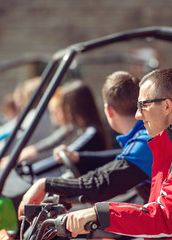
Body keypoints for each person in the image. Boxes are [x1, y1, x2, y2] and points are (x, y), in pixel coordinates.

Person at [65, 68, 172, 240]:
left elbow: (165, 219)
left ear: (167, 106)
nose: (138, 115)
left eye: (143, 105)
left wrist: (99, 214)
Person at [18, 71, 154, 218]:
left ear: (108, 110)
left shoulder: (146, 140)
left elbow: (99, 186)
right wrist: (78, 158)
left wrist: (46, 184)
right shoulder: (142, 138)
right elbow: (117, 160)